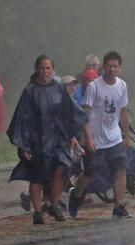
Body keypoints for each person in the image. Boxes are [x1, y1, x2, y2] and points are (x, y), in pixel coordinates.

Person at [7, 55, 85, 224]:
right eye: (42, 68)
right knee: (37, 176)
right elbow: (22, 118)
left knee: (60, 171)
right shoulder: (30, 91)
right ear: (36, 69)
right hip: (37, 141)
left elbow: (70, 113)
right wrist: (23, 145)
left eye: (48, 68)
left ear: (53, 69)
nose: (45, 71)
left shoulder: (58, 88)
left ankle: (54, 204)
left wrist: (72, 135)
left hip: (58, 139)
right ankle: (37, 211)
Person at [69, 51, 132, 219]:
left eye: (115, 66)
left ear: (120, 68)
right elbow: (86, 114)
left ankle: (119, 206)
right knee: (90, 173)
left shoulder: (122, 86)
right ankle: (76, 194)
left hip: (115, 137)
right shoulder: (94, 86)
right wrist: (88, 138)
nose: (112, 69)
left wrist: (126, 135)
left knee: (120, 170)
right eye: (109, 66)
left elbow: (123, 111)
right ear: (103, 67)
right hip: (96, 139)